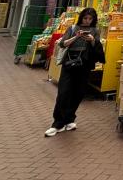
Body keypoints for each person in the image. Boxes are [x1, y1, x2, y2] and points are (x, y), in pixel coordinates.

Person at [45, 8, 105, 137]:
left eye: (90, 19)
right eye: (85, 18)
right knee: (63, 92)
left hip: (84, 65)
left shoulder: (95, 31)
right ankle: (57, 123)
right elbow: (62, 44)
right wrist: (76, 36)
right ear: (81, 17)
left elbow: (98, 48)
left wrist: (92, 40)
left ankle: (70, 119)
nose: (87, 21)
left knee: (78, 93)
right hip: (69, 63)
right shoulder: (73, 28)